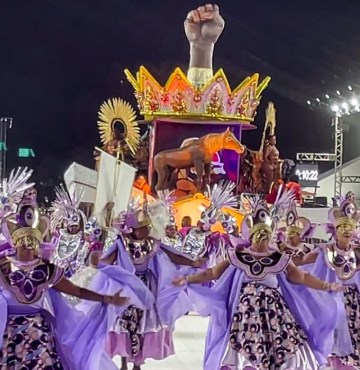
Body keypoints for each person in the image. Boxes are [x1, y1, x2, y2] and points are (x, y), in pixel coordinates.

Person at [173, 200, 339, 370]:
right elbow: (211, 273)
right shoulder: (237, 256)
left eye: (265, 235)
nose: (262, 239)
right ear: (251, 235)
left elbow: (302, 277)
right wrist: (188, 280)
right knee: (243, 350)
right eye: (258, 235)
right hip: (244, 316)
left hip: (275, 315)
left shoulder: (279, 259)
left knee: (282, 349)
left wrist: (326, 286)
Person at [0, 186, 130, 370]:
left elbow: (75, 290)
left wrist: (106, 298)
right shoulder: (3, 267)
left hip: (38, 334)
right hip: (8, 334)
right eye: (24, 244)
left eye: (31, 243)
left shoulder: (47, 269)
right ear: (15, 242)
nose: (28, 248)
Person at [299, 197, 360, 369]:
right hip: (331, 298)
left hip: (353, 302)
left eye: (350, 228)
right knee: (333, 335)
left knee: (354, 335)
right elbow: (301, 262)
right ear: (336, 230)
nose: (347, 231)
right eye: (343, 227)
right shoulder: (326, 250)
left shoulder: (358, 252)